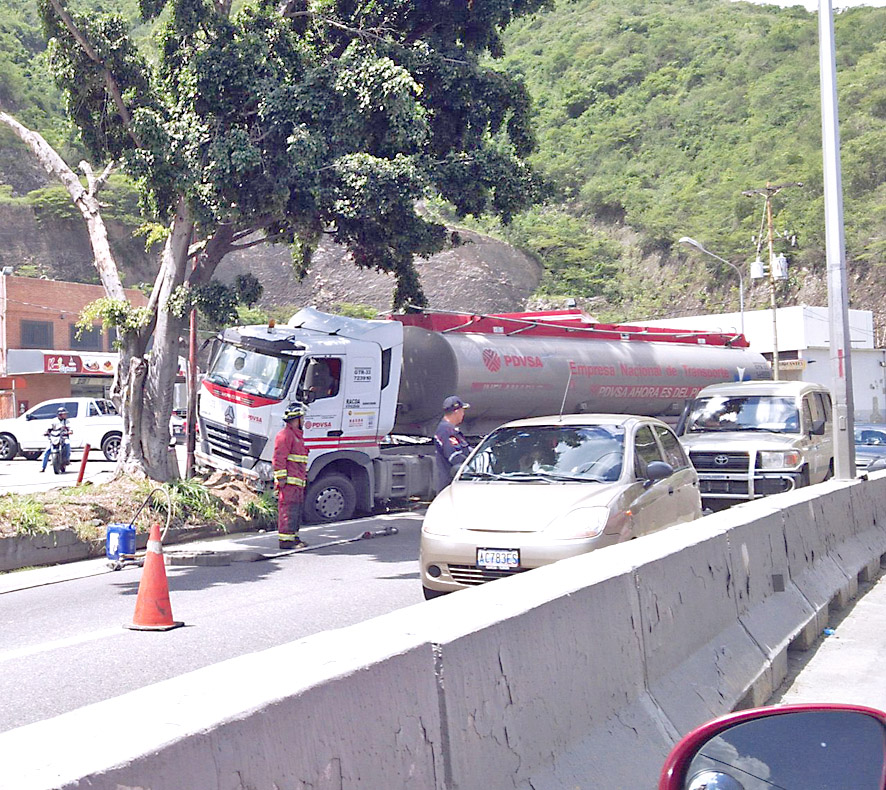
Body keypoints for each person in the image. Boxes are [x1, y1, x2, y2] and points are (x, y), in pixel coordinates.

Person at [273, 401, 309, 549]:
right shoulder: (285, 435)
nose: (304, 421)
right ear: (296, 419)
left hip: (297, 482)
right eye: (302, 418)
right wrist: (281, 479)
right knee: (287, 510)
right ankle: (285, 541)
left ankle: (293, 537)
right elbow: (279, 458)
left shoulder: (296, 436)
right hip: (289, 483)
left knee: (295, 510)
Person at [434, 395, 472, 493]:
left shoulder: (450, 430)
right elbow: (455, 457)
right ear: (456, 412)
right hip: (450, 486)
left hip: (454, 485)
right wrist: (471, 468)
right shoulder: (446, 431)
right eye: (462, 411)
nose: (463, 414)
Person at [41, 407, 72, 473]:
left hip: (64, 437)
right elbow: (49, 429)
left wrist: (69, 431)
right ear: (59, 414)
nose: (65, 415)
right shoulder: (53, 421)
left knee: (67, 445)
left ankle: (66, 460)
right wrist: (46, 432)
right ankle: (43, 467)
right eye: (64, 414)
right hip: (54, 438)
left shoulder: (67, 421)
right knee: (47, 451)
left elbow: (70, 429)